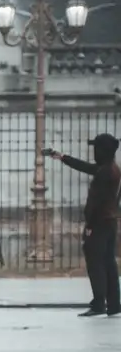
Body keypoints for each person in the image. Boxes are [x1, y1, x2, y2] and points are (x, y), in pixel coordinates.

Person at [49, 134, 120, 317]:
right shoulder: (111, 168)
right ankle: (114, 303)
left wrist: (89, 225)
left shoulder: (105, 173)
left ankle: (98, 304)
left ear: (103, 150)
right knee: (109, 262)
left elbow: (97, 201)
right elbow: (87, 167)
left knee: (95, 263)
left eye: (96, 148)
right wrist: (63, 157)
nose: (94, 151)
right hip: (110, 222)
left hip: (99, 223)